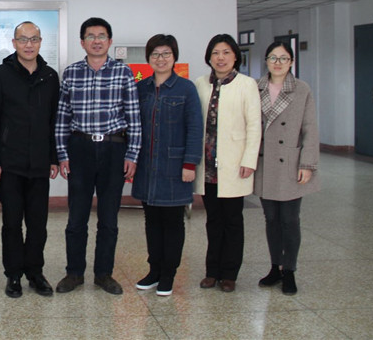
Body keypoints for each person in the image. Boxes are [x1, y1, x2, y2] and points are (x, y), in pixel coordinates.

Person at [54, 17, 141, 295]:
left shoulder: (123, 72)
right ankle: (74, 273)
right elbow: (62, 116)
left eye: (101, 36)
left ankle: (104, 274)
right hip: (80, 148)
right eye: (90, 36)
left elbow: (133, 117)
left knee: (109, 219)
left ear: (110, 41)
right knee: (76, 218)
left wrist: (132, 154)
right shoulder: (71, 73)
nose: (96, 41)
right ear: (82, 42)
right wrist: (62, 154)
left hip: (114, 149)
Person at [0, 21, 60, 298]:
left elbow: (54, 121)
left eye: (34, 39)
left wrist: (53, 158)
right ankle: (13, 274)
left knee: (38, 224)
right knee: (12, 223)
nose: (29, 44)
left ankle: (35, 272)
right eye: (23, 39)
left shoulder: (50, 76)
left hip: (39, 164)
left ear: (40, 42)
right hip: (9, 164)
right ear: (14, 43)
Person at [132, 34, 203, 297]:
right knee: (151, 220)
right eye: (155, 54)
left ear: (174, 57)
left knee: (173, 221)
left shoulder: (186, 88)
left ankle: (168, 274)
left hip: (175, 166)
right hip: (147, 165)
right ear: (148, 58)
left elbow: (195, 128)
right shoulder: (142, 88)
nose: (160, 59)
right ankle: (154, 270)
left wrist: (190, 163)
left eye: (166, 54)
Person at [194, 34, 262, 293]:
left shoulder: (247, 84)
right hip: (208, 165)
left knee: (233, 220)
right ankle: (212, 272)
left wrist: (249, 160)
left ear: (235, 56)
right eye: (215, 53)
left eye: (226, 53)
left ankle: (230, 273)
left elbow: (254, 126)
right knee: (213, 220)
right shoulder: (201, 83)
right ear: (209, 57)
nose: (220, 58)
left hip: (234, 163)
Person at [255, 41, 320, 295]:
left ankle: (289, 270)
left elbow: (310, 128)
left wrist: (307, 163)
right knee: (271, 219)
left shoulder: (302, 89)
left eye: (283, 58)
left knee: (290, 220)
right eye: (273, 58)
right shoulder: (256, 87)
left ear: (291, 62)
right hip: (265, 162)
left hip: (291, 163)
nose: (278, 63)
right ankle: (275, 267)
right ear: (266, 61)